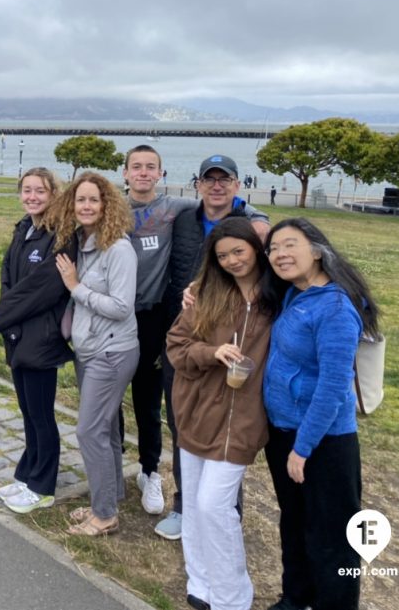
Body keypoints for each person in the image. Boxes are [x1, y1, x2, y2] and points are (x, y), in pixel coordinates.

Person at [262, 219, 378, 610]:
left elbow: (333, 386)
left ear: (317, 250)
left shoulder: (335, 307)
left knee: (333, 538)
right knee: (294, 524)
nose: (280, 254)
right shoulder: (295, 294)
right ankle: (295, 599)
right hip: (284, 433)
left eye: (290, 244)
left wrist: (303, 448)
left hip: (323, 443)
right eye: (274, 248)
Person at [156, 154, 270, 540]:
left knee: (228, 426)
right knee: (182, 422)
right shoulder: (184, 218)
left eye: (225, 179)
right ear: (198, 184)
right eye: (210, 179)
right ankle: (185, 505)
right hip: (187, 334)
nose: (217, 186)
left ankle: (225, 510)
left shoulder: (251, 225)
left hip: (233, 342)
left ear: (238, 185)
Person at [165, 218, 273, 610]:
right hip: (195, 410)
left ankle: (233, 598)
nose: (231, 261)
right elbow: (177, 346)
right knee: (193, 503)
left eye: (239, 251)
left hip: (243, 419)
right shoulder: (205, 294)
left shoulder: (277, 297)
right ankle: (201, 582)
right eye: (222, 255)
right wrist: (212, 353)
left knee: (214, 506)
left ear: (256, 250)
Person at [50, 172, 139, 536]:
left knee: (89, 432)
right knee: (105, 431)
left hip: (111, 351)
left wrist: (76, 286)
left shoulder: (118, 249)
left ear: (107, 206)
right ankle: (110, 494)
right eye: (80, 200)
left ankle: (105, 516)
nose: (86, 206)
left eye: (93, 200)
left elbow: (120, 306)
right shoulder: (84, 242)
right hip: (89, 350)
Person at [120, 145, 201, 516]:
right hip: (113, 316)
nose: (143, 172)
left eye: (150, 167)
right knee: (108, 397)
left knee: (148, 400)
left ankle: (150, 471)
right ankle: (109, 461)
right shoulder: (111, 208)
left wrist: (258, 215)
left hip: (152, 318)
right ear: (125, 173)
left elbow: (222, 207)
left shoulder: (174, 208)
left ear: (161, 174)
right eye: (136, 166)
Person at [0, 168, 74, 512]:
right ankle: (27, 474)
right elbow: (8, 276)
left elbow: (43, 289)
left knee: (41, 414)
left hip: (41, 337)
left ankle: (43, 486)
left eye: (40, 191)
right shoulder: (23, 228)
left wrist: (2, 315)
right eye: (27, 191)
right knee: (27, 411)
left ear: (53, 193)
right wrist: (8, 320)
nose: (32, 197)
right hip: (17, 334)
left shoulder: (60, 235)